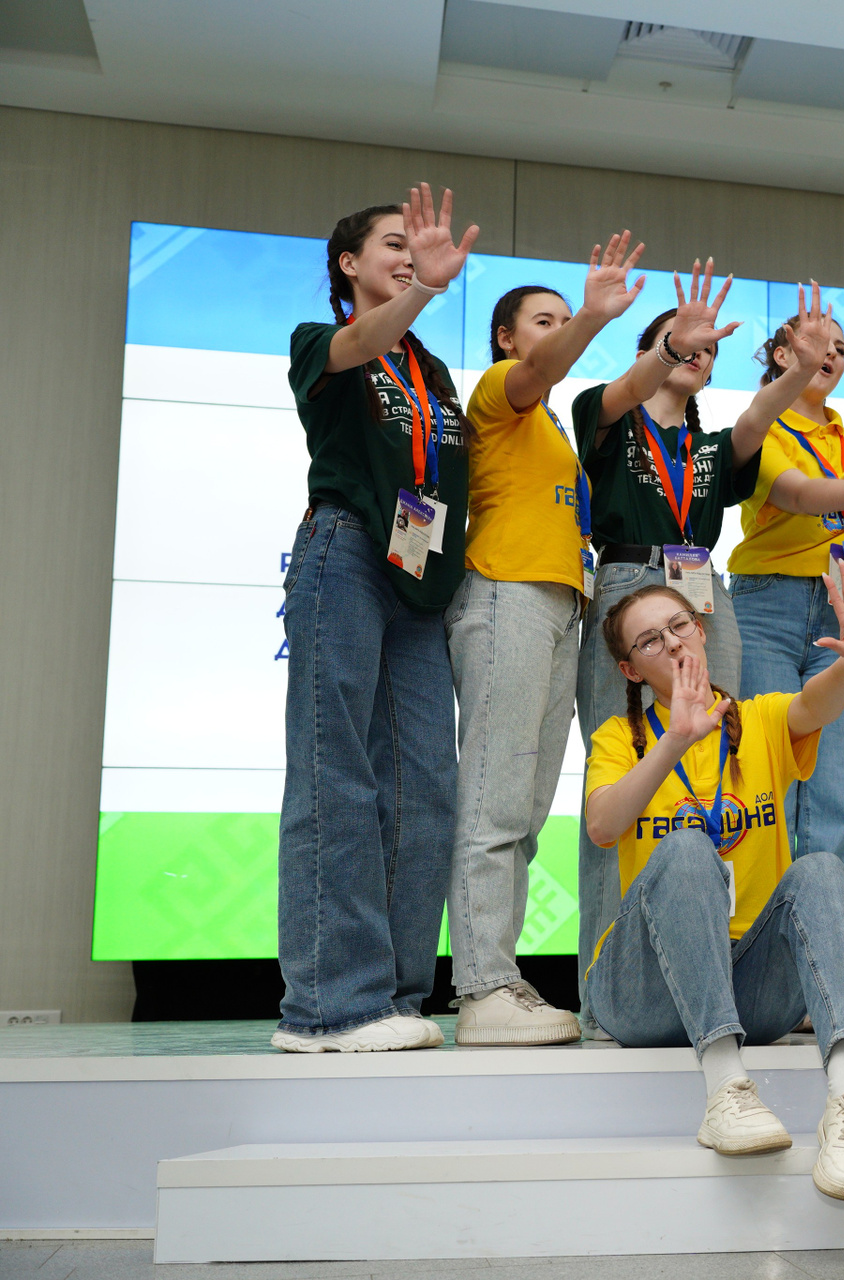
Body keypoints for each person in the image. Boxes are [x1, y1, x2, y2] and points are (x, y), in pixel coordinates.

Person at [572, 274, 840, 1032]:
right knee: (624, 781)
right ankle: (609, 987)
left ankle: (725, 976)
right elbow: (629, 387)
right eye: (681, 344)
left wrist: (798, 369)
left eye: (709, 350)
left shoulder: (710, 447)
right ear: (652, 349)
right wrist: (669, 345)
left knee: (722, 758)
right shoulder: (605, 414)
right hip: (628, 585)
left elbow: (757, 418)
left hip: (704, 596)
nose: (697, 354)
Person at [582, 567, 844, 1201]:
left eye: (680, 625)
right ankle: (726, 1091)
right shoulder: (619, 738)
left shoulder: (758, 719)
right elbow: (603, 825)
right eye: (650, 640)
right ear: (631, 671)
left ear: (702, 630)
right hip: (646, 993)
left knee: (823, 869)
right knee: (687, 846)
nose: (672, 642)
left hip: (752, 987)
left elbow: (816, 705)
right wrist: (674, 740)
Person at [274, 185, 477, 1052]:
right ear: (348, 264)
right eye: (392, 243)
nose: (408, 252)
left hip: (419, 578)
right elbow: (362, 341)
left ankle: (393, 996)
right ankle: (327, 1007)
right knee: (338, 775)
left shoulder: (432, 373)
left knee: (428, 788)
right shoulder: (321, 342)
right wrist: (424, 286)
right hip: (347, 552)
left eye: (414, 244)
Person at [443, 237, 649, 1046]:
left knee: (526, 810)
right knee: (494, 798)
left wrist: (669, 346)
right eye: (544, 319)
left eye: (566, 319)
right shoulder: (502, 390)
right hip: (506, 594)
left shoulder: (558, 431)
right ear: (506, 337)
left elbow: (618, 384)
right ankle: (481, 988)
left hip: (562, 608)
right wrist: (592, 317)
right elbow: (542, 368)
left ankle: (501, 978)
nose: (559, 330)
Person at [729, 301, 844, 900]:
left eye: (841, 348)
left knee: (842, 797)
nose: (830, 353)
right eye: (816, 342)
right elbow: (802, 495)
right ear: (783, 354)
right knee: (765, 788)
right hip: (767, 609)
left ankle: (832, 949)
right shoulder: (761, 427)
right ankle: (758, 944)